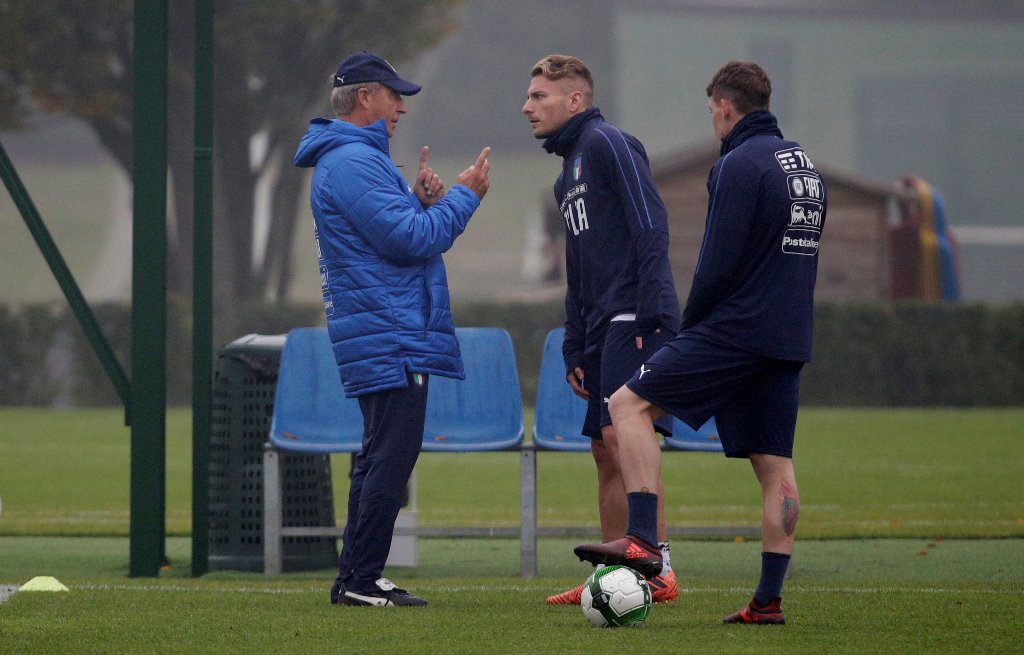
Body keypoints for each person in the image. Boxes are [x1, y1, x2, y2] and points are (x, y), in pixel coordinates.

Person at [573, 60, 827, 625]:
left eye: (712, 109)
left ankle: (642, 540)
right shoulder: (805, 167)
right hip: (788, 335)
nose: (713, 119)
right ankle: (767, 602)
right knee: (775, 466)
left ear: (725, 107)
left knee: (626, 404)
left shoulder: (738, 164)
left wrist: (691, 329)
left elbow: (716, 262)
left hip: (733, 330)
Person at [293, 50, 491, 607]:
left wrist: (417, 202)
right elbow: (411, 241)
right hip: (390, 331)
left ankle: (357, 577)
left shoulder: (351, 159)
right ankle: (359, 580)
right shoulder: (353, 161)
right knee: (391, 457)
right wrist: (464, 197)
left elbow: (389, 235)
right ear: (365, 97)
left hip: (382, 327)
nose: (401, 107)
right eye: (393, 95)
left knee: (380, 454)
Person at [522, 54, 681, 605]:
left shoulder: (609, 142)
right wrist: (574, 343)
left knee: (623, 434)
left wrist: (654, 310)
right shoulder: (567, 173)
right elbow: (579, 266)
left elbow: (651, 223)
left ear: (575, 100)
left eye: (539, 96)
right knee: (603, 449)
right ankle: (616, 576)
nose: (527, 106)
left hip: (634, 313)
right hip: (598, 325)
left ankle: (657, 566)